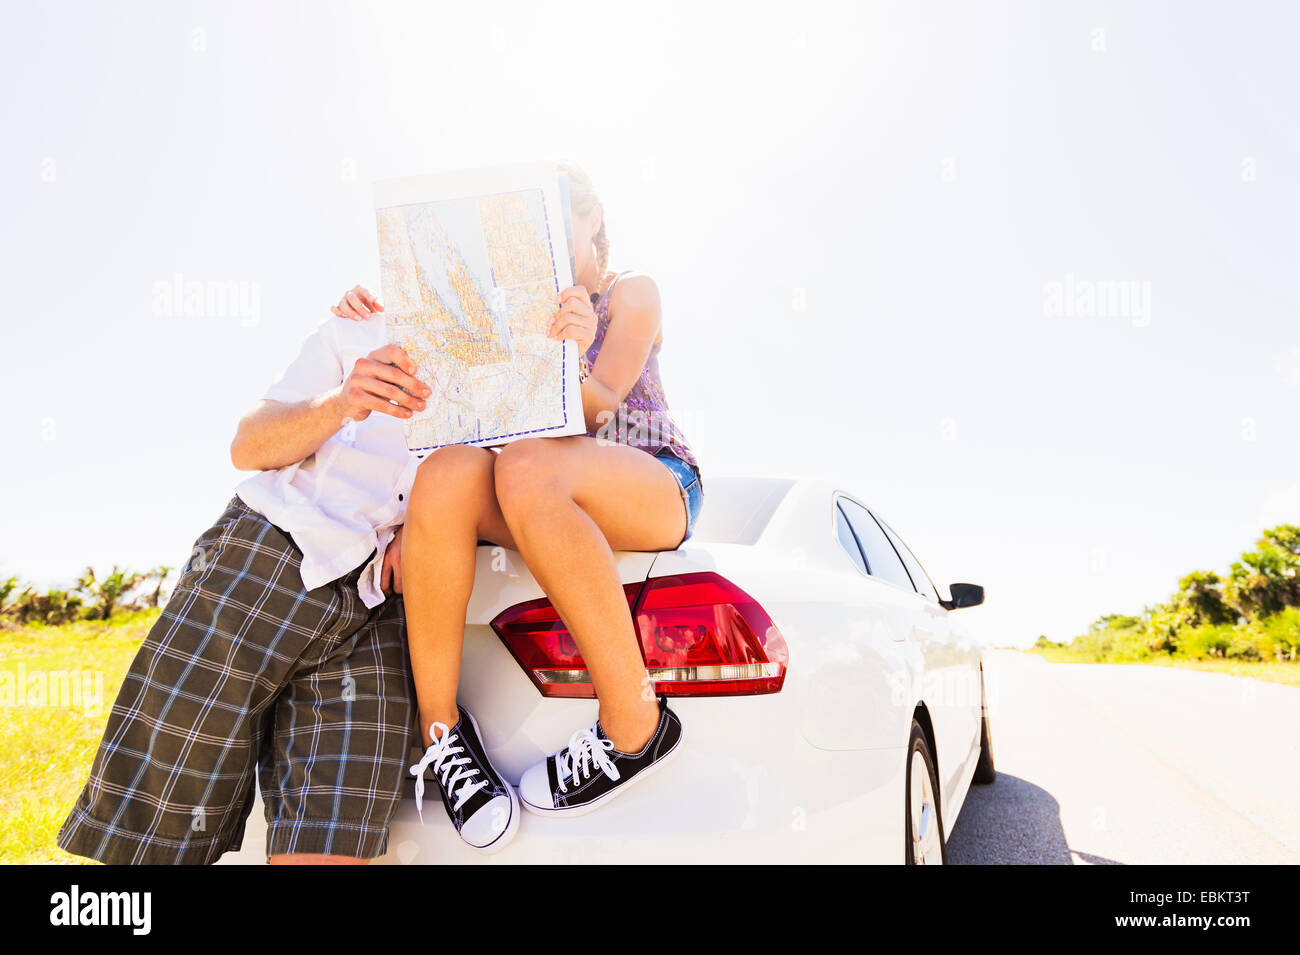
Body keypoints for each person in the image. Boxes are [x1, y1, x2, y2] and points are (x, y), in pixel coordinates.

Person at [339, 161, 701, 852]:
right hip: (533, 484)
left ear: (592, 218)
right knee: (445, 474)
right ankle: (442, 734)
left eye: (550, 210)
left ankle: (635, 722)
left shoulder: (630, 293)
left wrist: (567, 349)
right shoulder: (515, 304)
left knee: (530, 466)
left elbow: (601, 403)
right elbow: (468, 418)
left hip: (656, 480)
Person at [55, 302, 464, 864]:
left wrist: (426, 516)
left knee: (334, 833)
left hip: (379, 602)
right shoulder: (357, 325)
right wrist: (342, 403)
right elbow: (248, 446)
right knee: (162, 812)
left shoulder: (522, 356)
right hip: (267, 554)